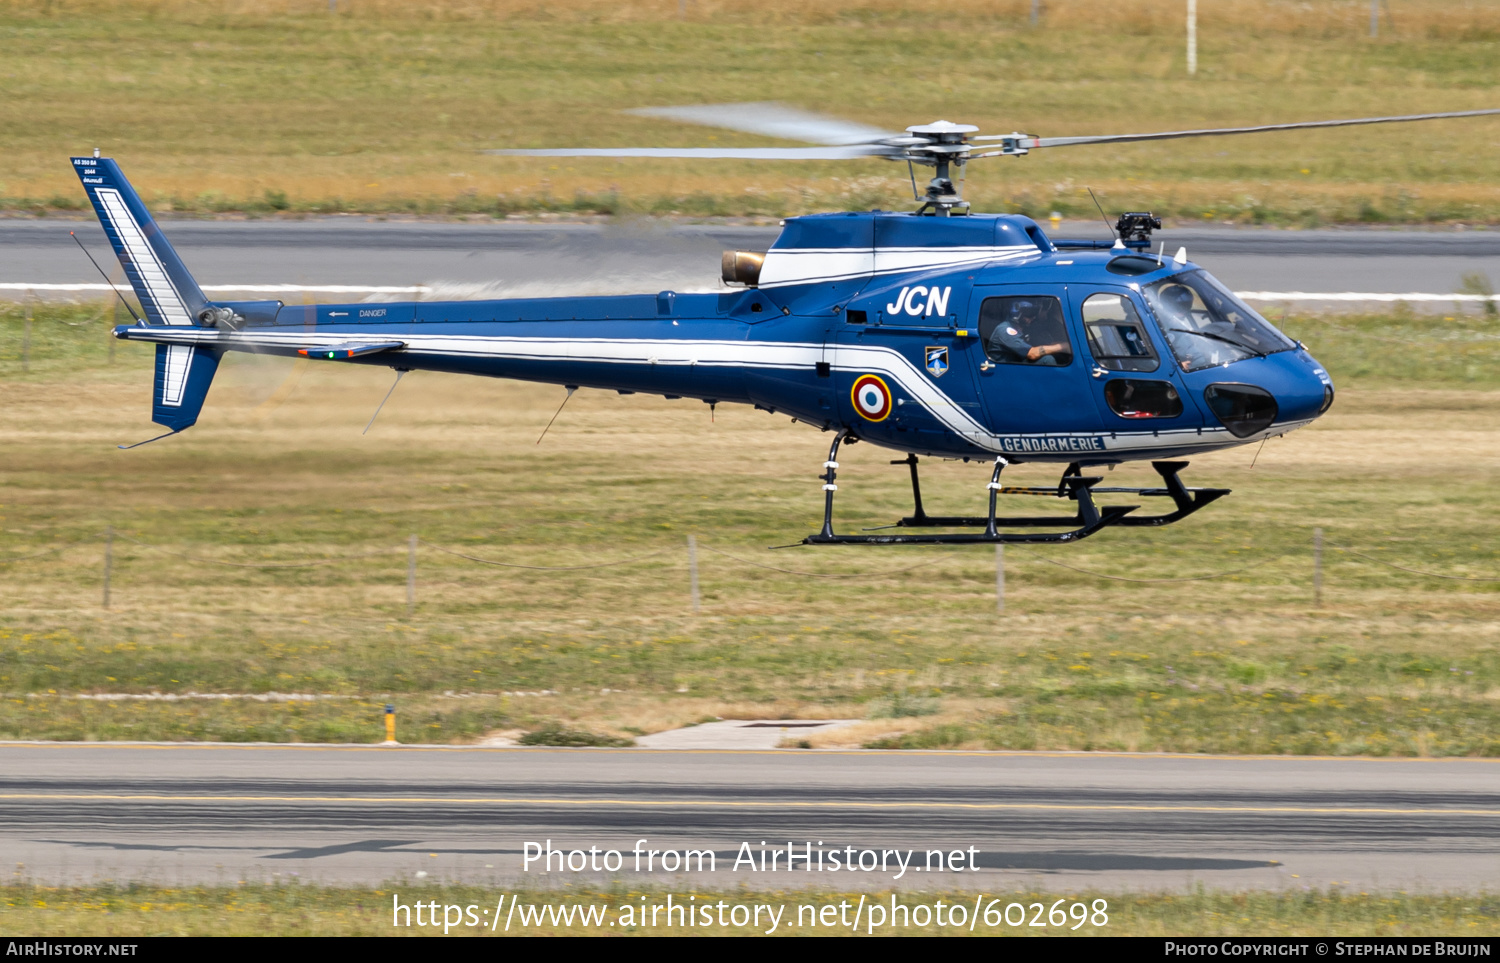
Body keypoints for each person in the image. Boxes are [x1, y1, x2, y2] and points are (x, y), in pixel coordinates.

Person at [987, 299, 1069, 365]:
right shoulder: (1005, 330)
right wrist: (1062, 347)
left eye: (1035, 313)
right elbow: (1031, 354)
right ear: (1017, 314)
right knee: (1047, 360)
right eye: (1029, 314)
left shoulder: (1025, 328)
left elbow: (1046, 345)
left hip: (1017, 364)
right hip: (1004, 371)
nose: (1033, 317)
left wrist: (1067, 346)